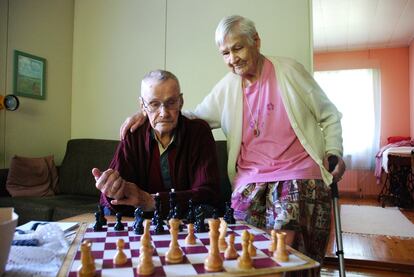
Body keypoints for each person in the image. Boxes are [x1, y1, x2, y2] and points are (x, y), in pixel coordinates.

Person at [120, 15, 346, 265]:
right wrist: (148, 112)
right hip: (251, 178)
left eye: (237, 48)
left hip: (297, 172)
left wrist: (334, 149)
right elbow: (190, 116)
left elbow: (329, 114)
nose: (232, 59)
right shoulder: (228, 87)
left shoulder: (289, 71)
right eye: (225, 53)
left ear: (256, 41)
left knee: (284, 243)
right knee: (240, 249)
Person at [94, 69, 220, 218]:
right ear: (142, 106)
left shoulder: (198, 132)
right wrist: (112, 189)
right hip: (143, 224)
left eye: (171, 103)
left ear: (181, 102)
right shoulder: (133, 134)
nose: (164, 113)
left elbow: (209, 194)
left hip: (185, 224)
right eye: (154, 104)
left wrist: (151, 201)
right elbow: (110, 200)